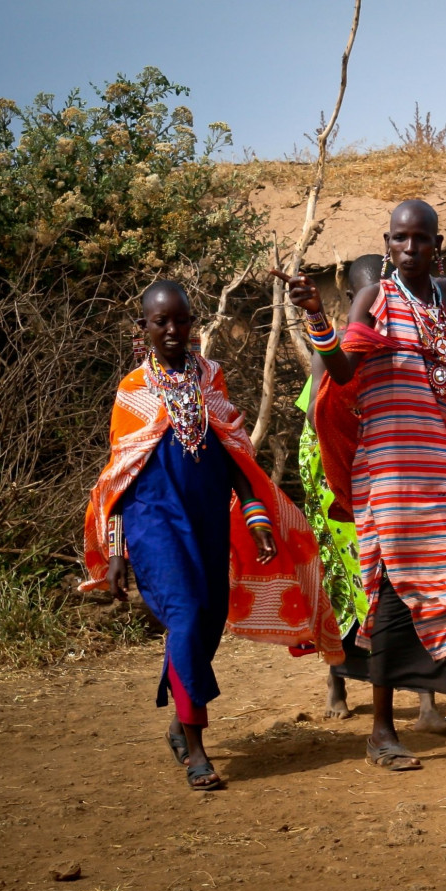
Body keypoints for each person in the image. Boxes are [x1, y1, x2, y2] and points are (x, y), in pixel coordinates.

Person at [81, 280, 343, 791]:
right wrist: (117, 553)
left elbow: (232, 451)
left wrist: (256, 517)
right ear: (145, 328)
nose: (174, 331)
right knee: (183, 615)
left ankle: (180, 719)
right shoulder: (133, 390)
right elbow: (117, 477)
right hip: (152, 519)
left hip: (204, 516)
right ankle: (196, 749)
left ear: (193, 323)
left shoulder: (211, 378)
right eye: (162, 322)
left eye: (182, 321)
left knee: (209, 618)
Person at [282, 199, 446, 771]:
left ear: (438, 243)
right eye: (401, 239)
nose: (412, 249)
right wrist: (317, 318)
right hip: (392, 464)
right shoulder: (373, 298)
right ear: (387, 243)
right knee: (394, 587)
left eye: (422, 239)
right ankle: (382, 729)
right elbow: (342, 373)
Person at [297, 254, 445, 732]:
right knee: (357, 583)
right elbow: (322, 419)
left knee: (414, 580)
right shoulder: (337, 348)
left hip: (400, 467)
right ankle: (339, 680)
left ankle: (426, 701)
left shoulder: (413, 333)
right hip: (339, 475)